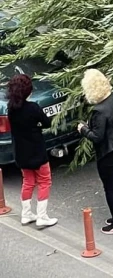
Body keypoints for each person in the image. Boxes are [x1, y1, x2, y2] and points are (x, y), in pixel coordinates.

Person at [77, 69, 113, 235]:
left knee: (110, 187)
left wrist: (83, 129)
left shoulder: (99, 111)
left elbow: (97, 137)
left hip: (109, 152)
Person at [6, 74, 58, 227]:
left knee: (28, 182)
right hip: (37, 151)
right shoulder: (33, 108)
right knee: (44, 181)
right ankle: (42, 216)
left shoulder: (10, 109)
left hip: (21, 152)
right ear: (28, 91)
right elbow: (47, 123)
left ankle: (26, 214)